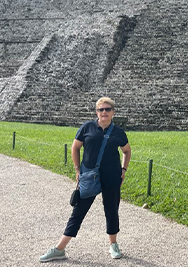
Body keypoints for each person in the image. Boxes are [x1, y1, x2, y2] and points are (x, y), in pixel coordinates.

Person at [40, 97, 131, 262]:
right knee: (79, 211)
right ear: (97, 112)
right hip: (90, 176)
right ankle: (60, 248)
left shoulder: (118, 132)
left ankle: (113, 244)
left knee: (111, 210)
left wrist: (123, 169)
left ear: (113, 112)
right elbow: (75, 147)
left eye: (107, 109)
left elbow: (126, 151)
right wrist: (77, 169)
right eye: (101, 109)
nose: (104, 112)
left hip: (111, 177)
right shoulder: (87, 127)